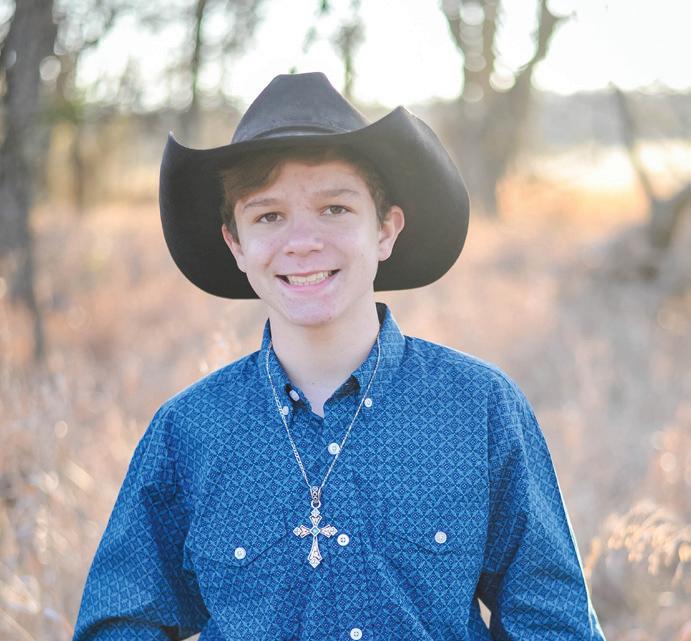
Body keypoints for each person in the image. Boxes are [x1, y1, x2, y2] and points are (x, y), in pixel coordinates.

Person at [73, 72, 607, 641]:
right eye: (268, 216)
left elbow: (554, 623)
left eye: (334, 209)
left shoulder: (478, 408)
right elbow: (119, 623)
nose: (303, 242)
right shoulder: (190, 432)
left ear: (385, 231)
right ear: (236, 244)